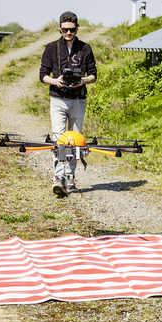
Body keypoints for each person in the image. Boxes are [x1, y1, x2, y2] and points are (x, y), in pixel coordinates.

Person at [39, 11, 97, 196]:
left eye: (71, 30)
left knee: (75, 139)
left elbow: (93, 75)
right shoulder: (51, 48)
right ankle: (58, 177)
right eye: (65, 30)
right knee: (59, 139)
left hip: (78, 99)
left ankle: (70, 176)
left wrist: (82, 81)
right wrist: (56, 81)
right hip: (58, 98)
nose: (68, 33)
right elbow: (43, 75)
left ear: (77, 28)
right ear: (60, 28)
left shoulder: (85, 48)